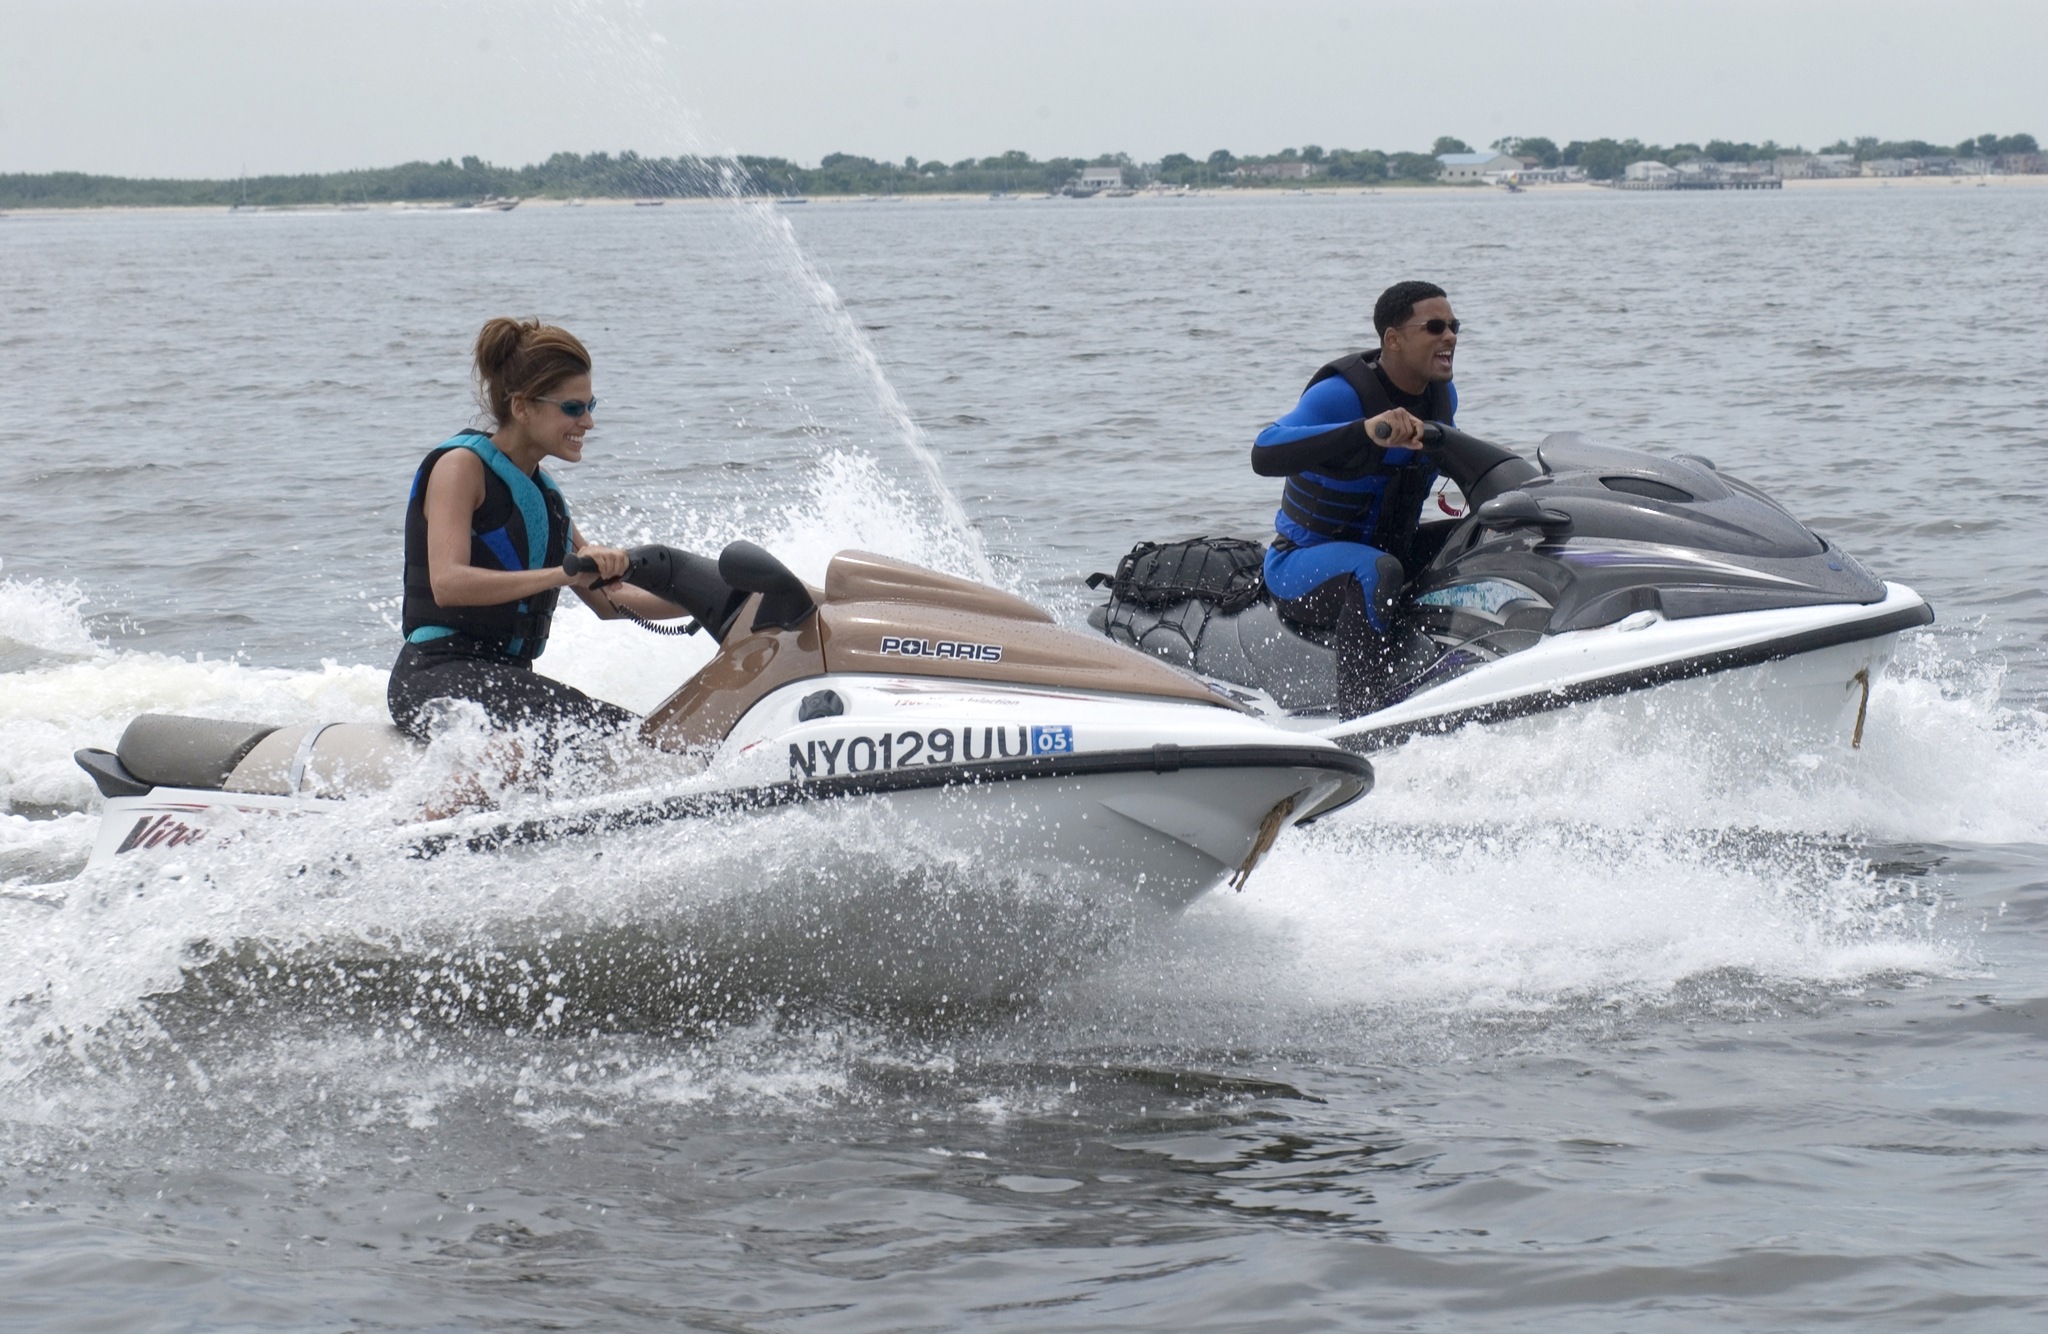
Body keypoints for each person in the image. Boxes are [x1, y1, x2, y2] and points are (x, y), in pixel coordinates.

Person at [388, 316, 687, 756]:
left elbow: (609, 602)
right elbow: (447, 583)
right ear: (523, 406)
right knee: (578, 745)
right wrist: (560, 576)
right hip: (435, 675)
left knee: (639, 740)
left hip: (506, 679)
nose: (588, 422)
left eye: (591, 405)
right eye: (572, 408)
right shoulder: (460, 468)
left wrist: (722, 601)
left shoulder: (544, 496)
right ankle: (413, 824)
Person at [1250, 280, 1460, 718]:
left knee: (1482, 534)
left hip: (1389, 552)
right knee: (1376, 570)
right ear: (1393, 339)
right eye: (1435, 326)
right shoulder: (1341, 395)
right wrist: (1363, 431)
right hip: (1302, 566)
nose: (1450, 336)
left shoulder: (1442, 397)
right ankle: (1363, 717)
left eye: (1455, 326)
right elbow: (1264, 450)